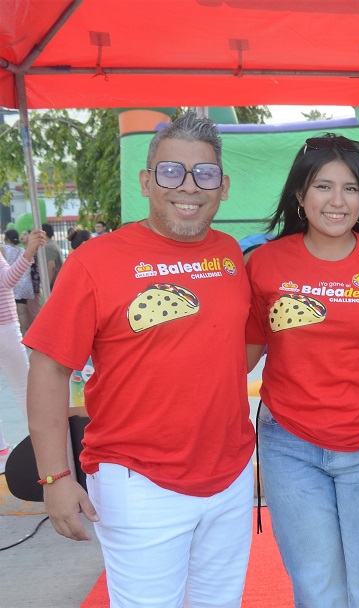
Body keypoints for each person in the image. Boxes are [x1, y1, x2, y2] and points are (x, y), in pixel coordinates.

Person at [25, 112, 256, 607]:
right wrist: (56, 478)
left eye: (205, 173)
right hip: (140, 483)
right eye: (172, 171)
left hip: (230, 478)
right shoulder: (95, 261)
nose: (189, 186)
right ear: (147, 180)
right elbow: (48, 368)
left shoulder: (229, 254)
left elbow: (238, 345)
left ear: (224, 186)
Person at [245, 132, 359, 607]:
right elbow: (242, 356)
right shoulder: (264, 264)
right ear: (300, 195)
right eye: (323, 186)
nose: (337, 200)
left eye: (350, 188)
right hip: (290, 447)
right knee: (317, 591)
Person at [0, 228, 45, 474]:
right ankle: (37, 447)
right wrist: (28, 253)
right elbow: (8, 282)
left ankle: (1, 450)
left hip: (6, 329)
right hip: (5, 328)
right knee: (24, 390)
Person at [4, 229, 34, 334]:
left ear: (6, 238)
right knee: (22, 312)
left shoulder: (4, 249)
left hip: (12, 284)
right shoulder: (22, 250)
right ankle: (23, 333)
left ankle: (15, 333)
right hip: (25, 283)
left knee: (13, 313)